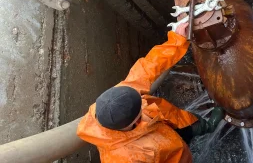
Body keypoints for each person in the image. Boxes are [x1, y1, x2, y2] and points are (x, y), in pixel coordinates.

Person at [77, 22, 224, 163]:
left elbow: (149, 65)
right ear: (135, 121)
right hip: (173, 155)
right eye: (140, 108)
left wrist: (178, 40)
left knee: (193, 125)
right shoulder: (123, 158)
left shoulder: (118, 98)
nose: (143, 101)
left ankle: (209, 126)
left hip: (170, 124)